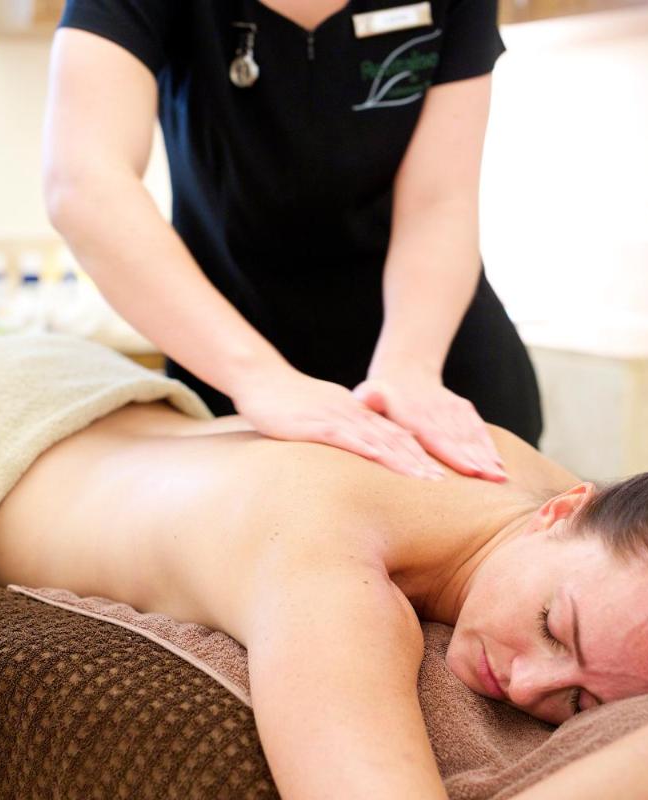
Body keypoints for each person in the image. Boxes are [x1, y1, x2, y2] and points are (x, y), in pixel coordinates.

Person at [0, 398, 648, 799]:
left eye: (580, 703)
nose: (526, 683)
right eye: (553, 628)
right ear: (564, 508)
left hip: (127, 428)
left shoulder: (524, 486)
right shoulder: (333, 576)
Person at [43, 0, 542, 484]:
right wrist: (259, 378)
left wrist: (410, 369)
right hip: (232, 363)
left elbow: (439, 202)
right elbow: (84, 184)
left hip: (431, 364)